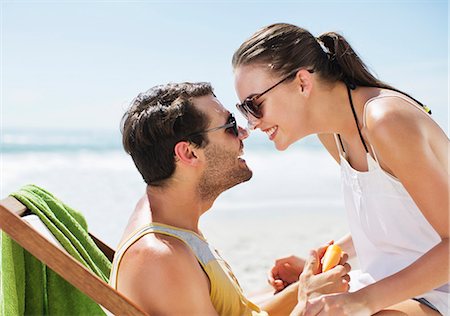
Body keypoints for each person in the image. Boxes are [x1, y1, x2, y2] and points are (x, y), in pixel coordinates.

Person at [232, 23, 449, 315]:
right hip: (388, 285)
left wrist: (361, 302)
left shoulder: (386, 120)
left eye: (254, 105)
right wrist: (326, 260)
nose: (252, 123)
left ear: (302, 83)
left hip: (437, 291)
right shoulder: (332, 132)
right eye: (243, 110)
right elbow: (393, 216)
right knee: (259, 301)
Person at [109, 82, 351, 315]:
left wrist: (305, 287)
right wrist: (307, 302)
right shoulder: (161, 257)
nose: (245, 133)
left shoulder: (171, 223)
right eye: (231, 126)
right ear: (189, 153)